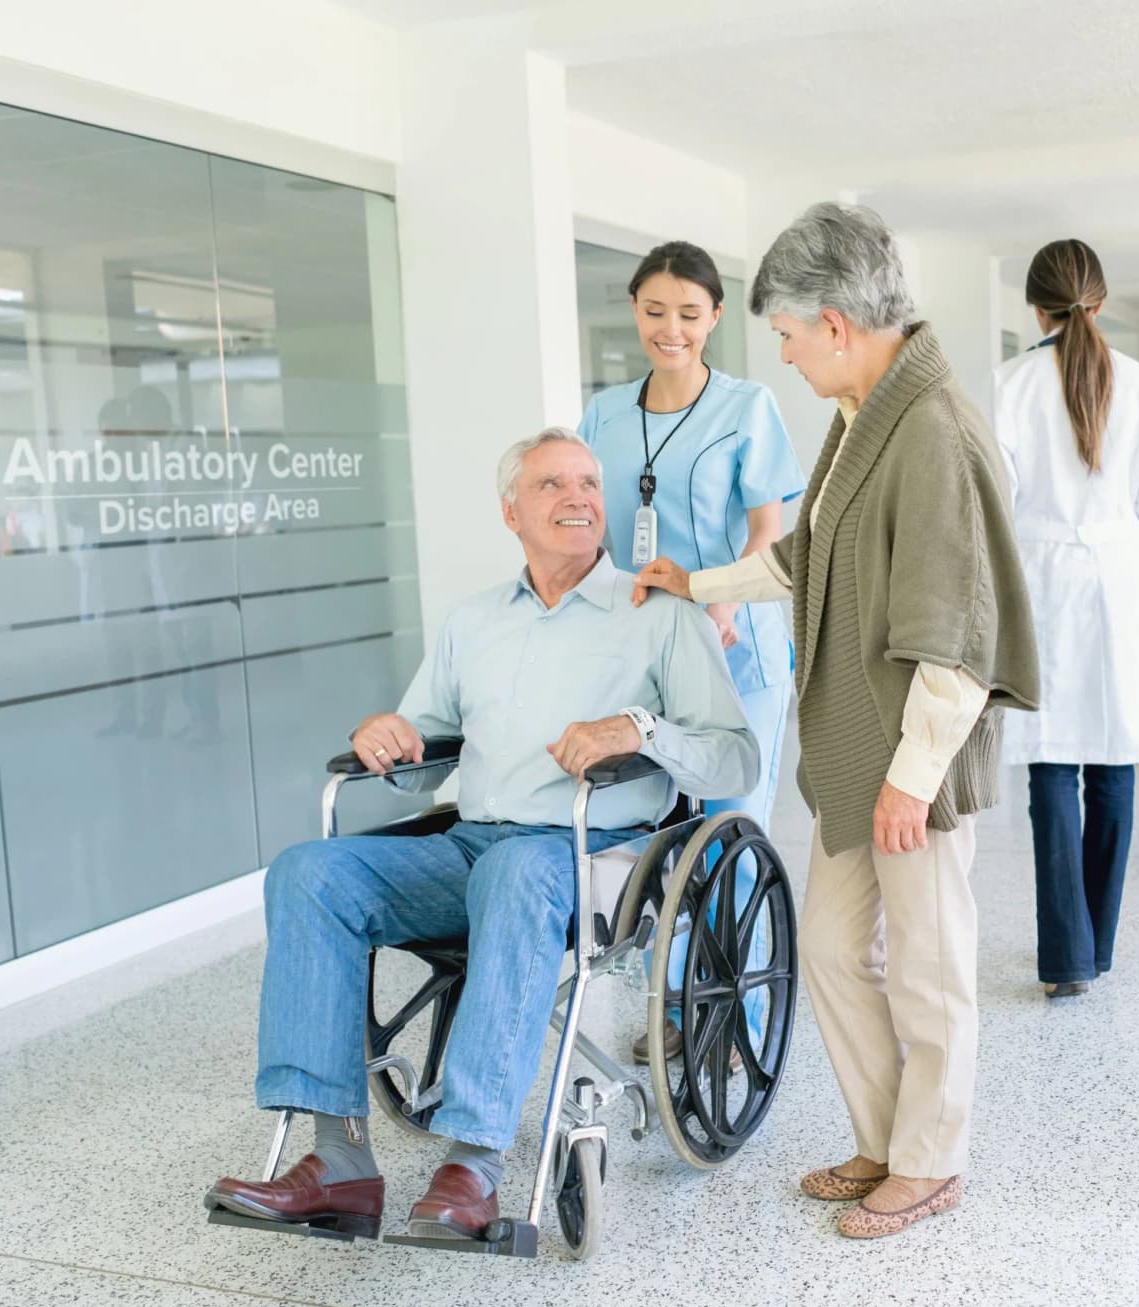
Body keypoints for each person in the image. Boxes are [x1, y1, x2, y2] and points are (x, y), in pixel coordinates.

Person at [205, 429, 756, 1242]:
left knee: (516, 874)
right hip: (469, 842)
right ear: (511, 511)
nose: (578, 498)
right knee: (306, 872)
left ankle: (473, 1164)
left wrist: (639, 729)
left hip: (584, 855)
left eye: (588, 483)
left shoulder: (660, 617)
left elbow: (735, 757)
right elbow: (429, 749)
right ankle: (338, 1162)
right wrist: (390, 737)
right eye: (552, 485)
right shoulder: (474, 621)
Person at [634, 202, 1039, 1240]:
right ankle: (887, 1139)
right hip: (858, 743)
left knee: (930, 961)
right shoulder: (866, 417)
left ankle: (932, 1160)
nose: (783, 354)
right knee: (826, 947)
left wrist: (913, 778)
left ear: (838, 323)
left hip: (913, 757)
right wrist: (700, 580)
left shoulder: (933, 427)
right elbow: (810, 554)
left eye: (785, 334)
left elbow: (956, 626)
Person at [577, 240, 805, 1061]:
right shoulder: (604, 413)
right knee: (661, 834)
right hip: (644, 651)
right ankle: (673, 1007)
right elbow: (592, 525)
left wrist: (725, 596)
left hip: (733, 645)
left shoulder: (747, 406)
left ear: (713, 318)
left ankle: (733, 1015)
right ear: (634, 309)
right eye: (653, 310)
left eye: (688, 313)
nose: (668, 329)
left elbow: (768, 528)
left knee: (729, 828)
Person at [992, 239, 1139, 999]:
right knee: (1113, 759)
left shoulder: (1009, 381)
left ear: (1035, 308)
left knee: (1052, 766)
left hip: (1043, 580)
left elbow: (997, 498)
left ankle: (1065, 956)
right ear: (1099, 303)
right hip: (1119, 578)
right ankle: (1098, 945)